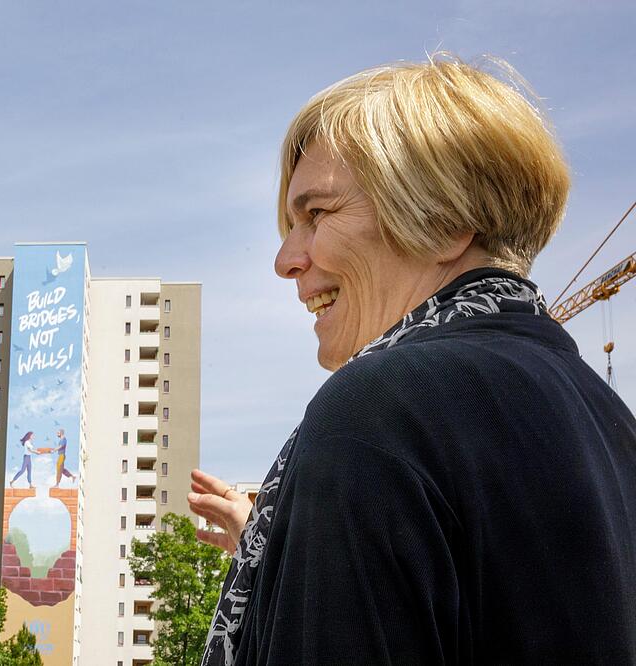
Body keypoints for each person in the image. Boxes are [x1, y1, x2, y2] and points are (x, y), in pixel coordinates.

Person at [190, 56, 636, 665]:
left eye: (316, 214)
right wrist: (293, 547)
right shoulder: (609, 418)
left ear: (444, 219)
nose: (286, 259)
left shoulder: (382, 407)